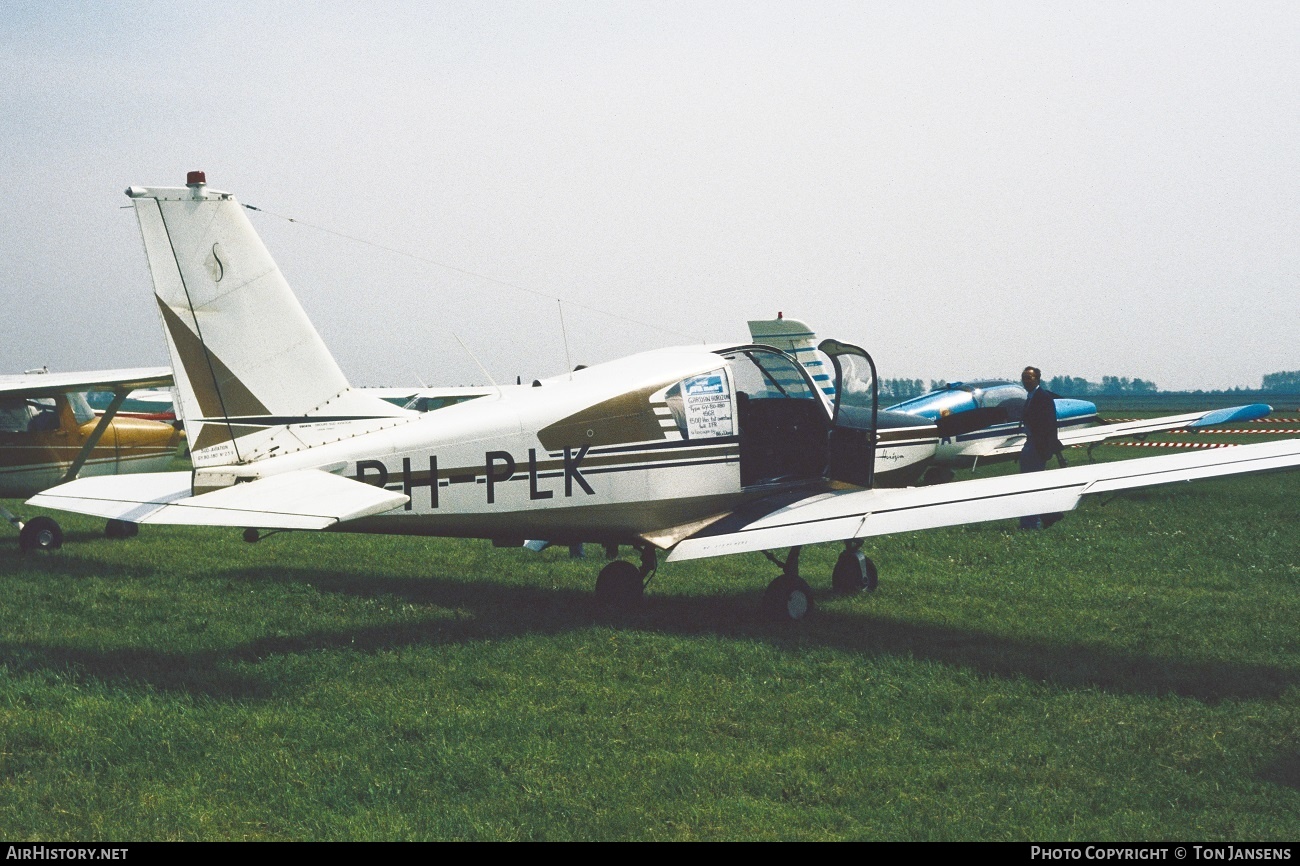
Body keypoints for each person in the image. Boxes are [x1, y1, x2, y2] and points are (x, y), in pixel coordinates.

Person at [1018, 366, 1065, 529]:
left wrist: (1043, 449)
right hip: (1030, 444)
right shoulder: (1031, 397)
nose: (1025, 381)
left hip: (1036, 447)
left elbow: (1049, 425)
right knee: (1028, 484)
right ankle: (1048, 515)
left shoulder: (1042, 398)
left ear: (1037, 379)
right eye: (1023, 378)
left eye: (1029, 378)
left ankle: (1031, 523)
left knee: (1031, 485)